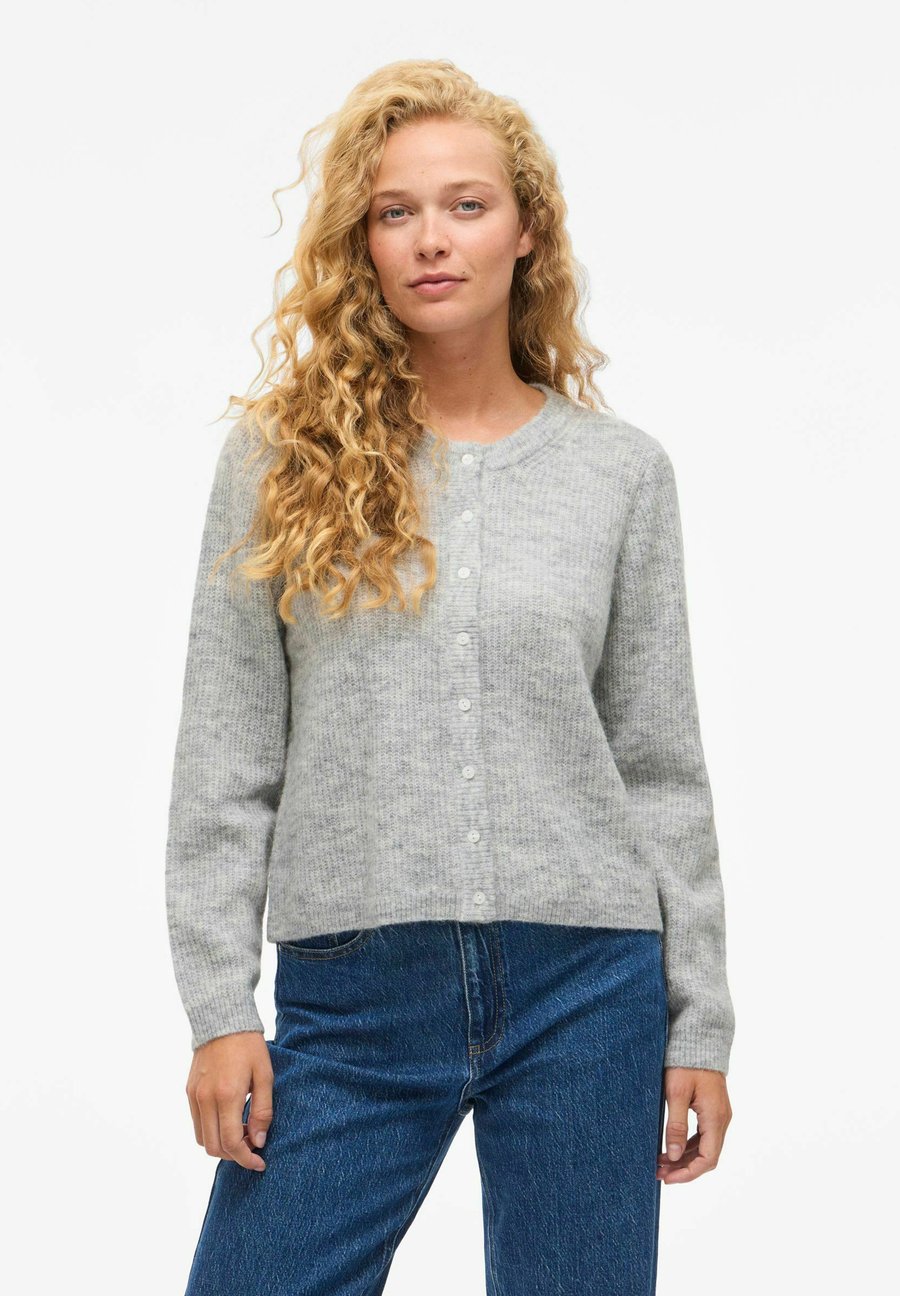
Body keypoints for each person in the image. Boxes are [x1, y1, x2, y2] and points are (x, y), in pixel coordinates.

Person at [165, 57, 735, 1296]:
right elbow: (226, 757)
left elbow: (659, 768)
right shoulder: (278, 462)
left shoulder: (620, 476)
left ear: (527, 230)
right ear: (361, 243)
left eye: (467, 205)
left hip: (589, 987)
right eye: (396, 211)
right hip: (352, 991)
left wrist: (699, 1021)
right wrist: (220, 1008)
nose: (432, 239)